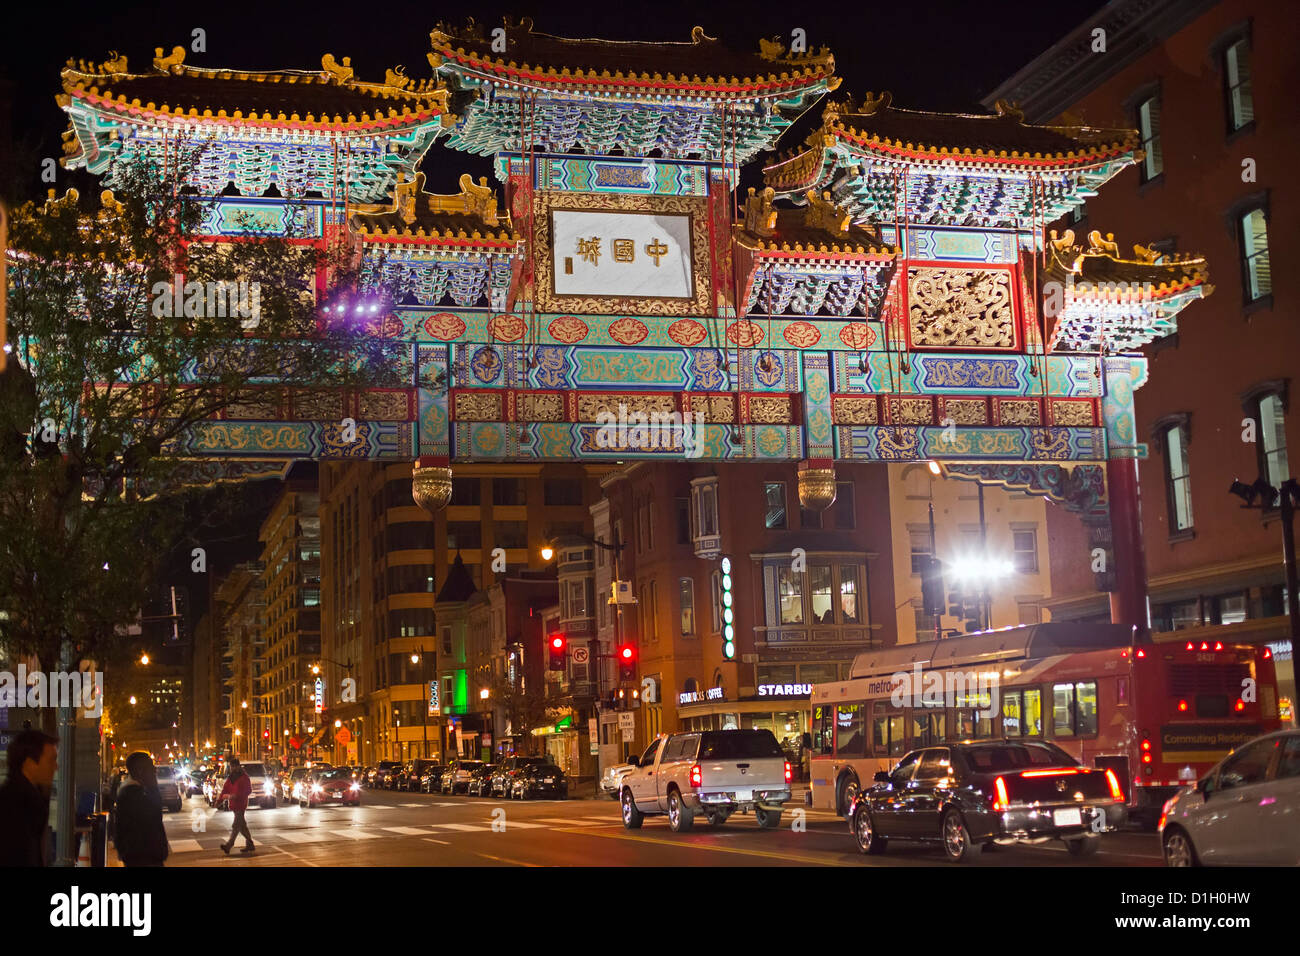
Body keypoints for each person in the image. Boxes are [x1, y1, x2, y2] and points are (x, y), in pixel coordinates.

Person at [0, 729, 58, 866]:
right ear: (29, 764)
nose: (56, 767)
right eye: (51, 760)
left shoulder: (29, 798)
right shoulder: (14, 805)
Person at [114, 752, 169, 867]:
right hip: (143, 857)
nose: (155, 770)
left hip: (140, 856)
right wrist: (153, 786)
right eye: (150, 766)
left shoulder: (131, 791)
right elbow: (154, 816)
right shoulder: (133, 794)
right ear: (140, 771)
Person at [216, 758, 255, 855]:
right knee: (242, 826)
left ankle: (229, 845)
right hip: (233, 804)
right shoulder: (231, 778)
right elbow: (225, 790)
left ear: (238, 766)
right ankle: (250, 844)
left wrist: (237, 795)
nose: (232, 768)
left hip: (241, 804)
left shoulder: (244, 777)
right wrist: (219, 801)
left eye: (233, 766)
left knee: (236, 825)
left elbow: (248, 790)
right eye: (231, 766)